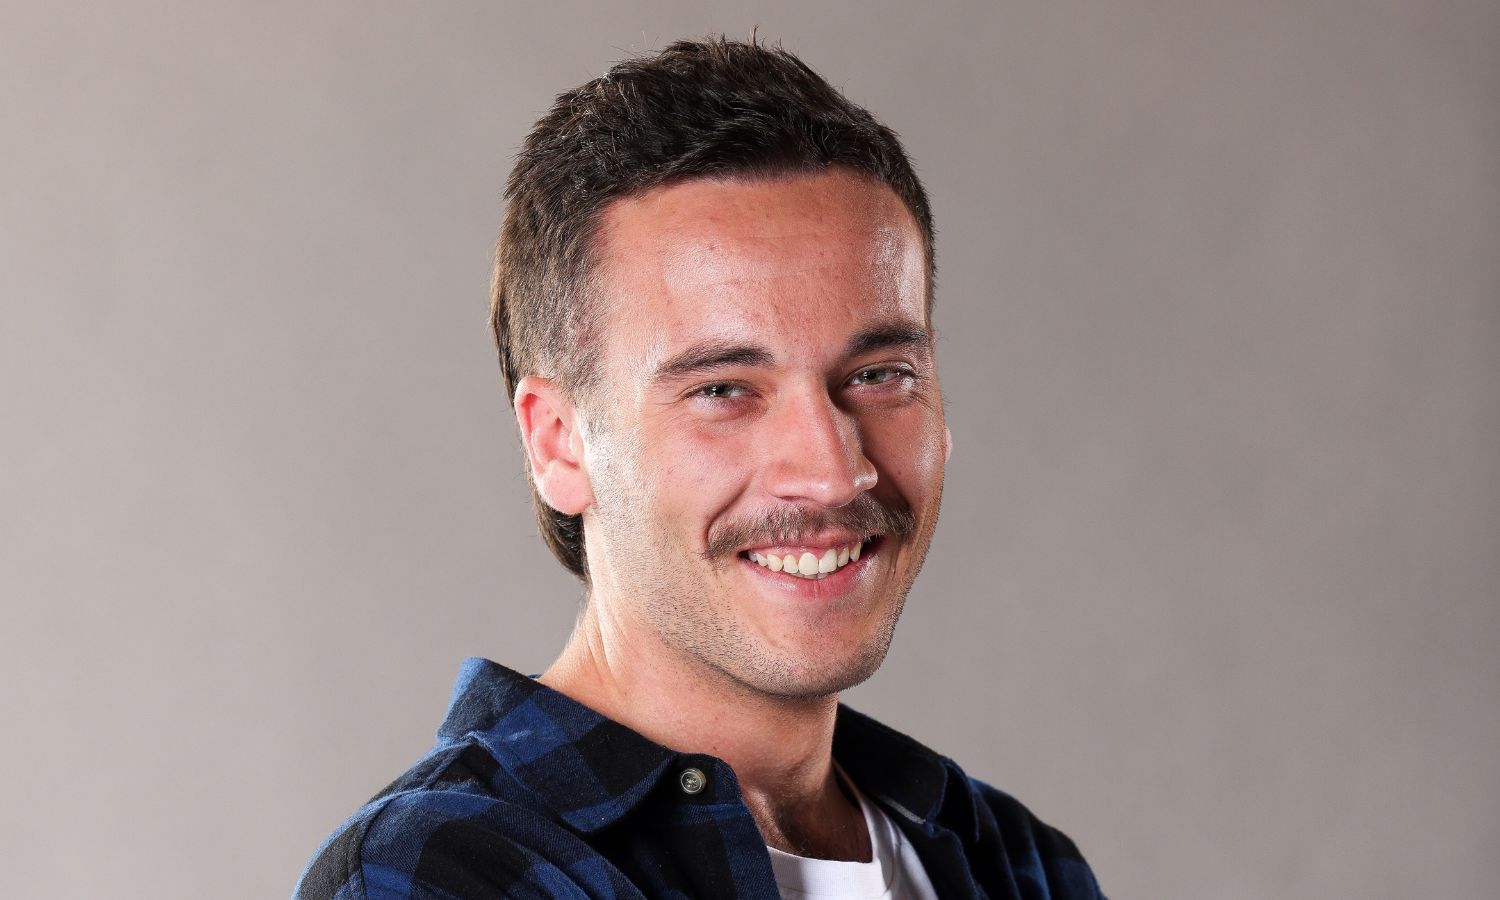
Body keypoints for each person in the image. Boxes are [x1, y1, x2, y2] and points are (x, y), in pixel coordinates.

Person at [296, 37, 1104, 900]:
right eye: (723, 389)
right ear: (558, 443)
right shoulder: (440, 874)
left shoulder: (1014, 863)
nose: (834, 474)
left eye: (878, 376)